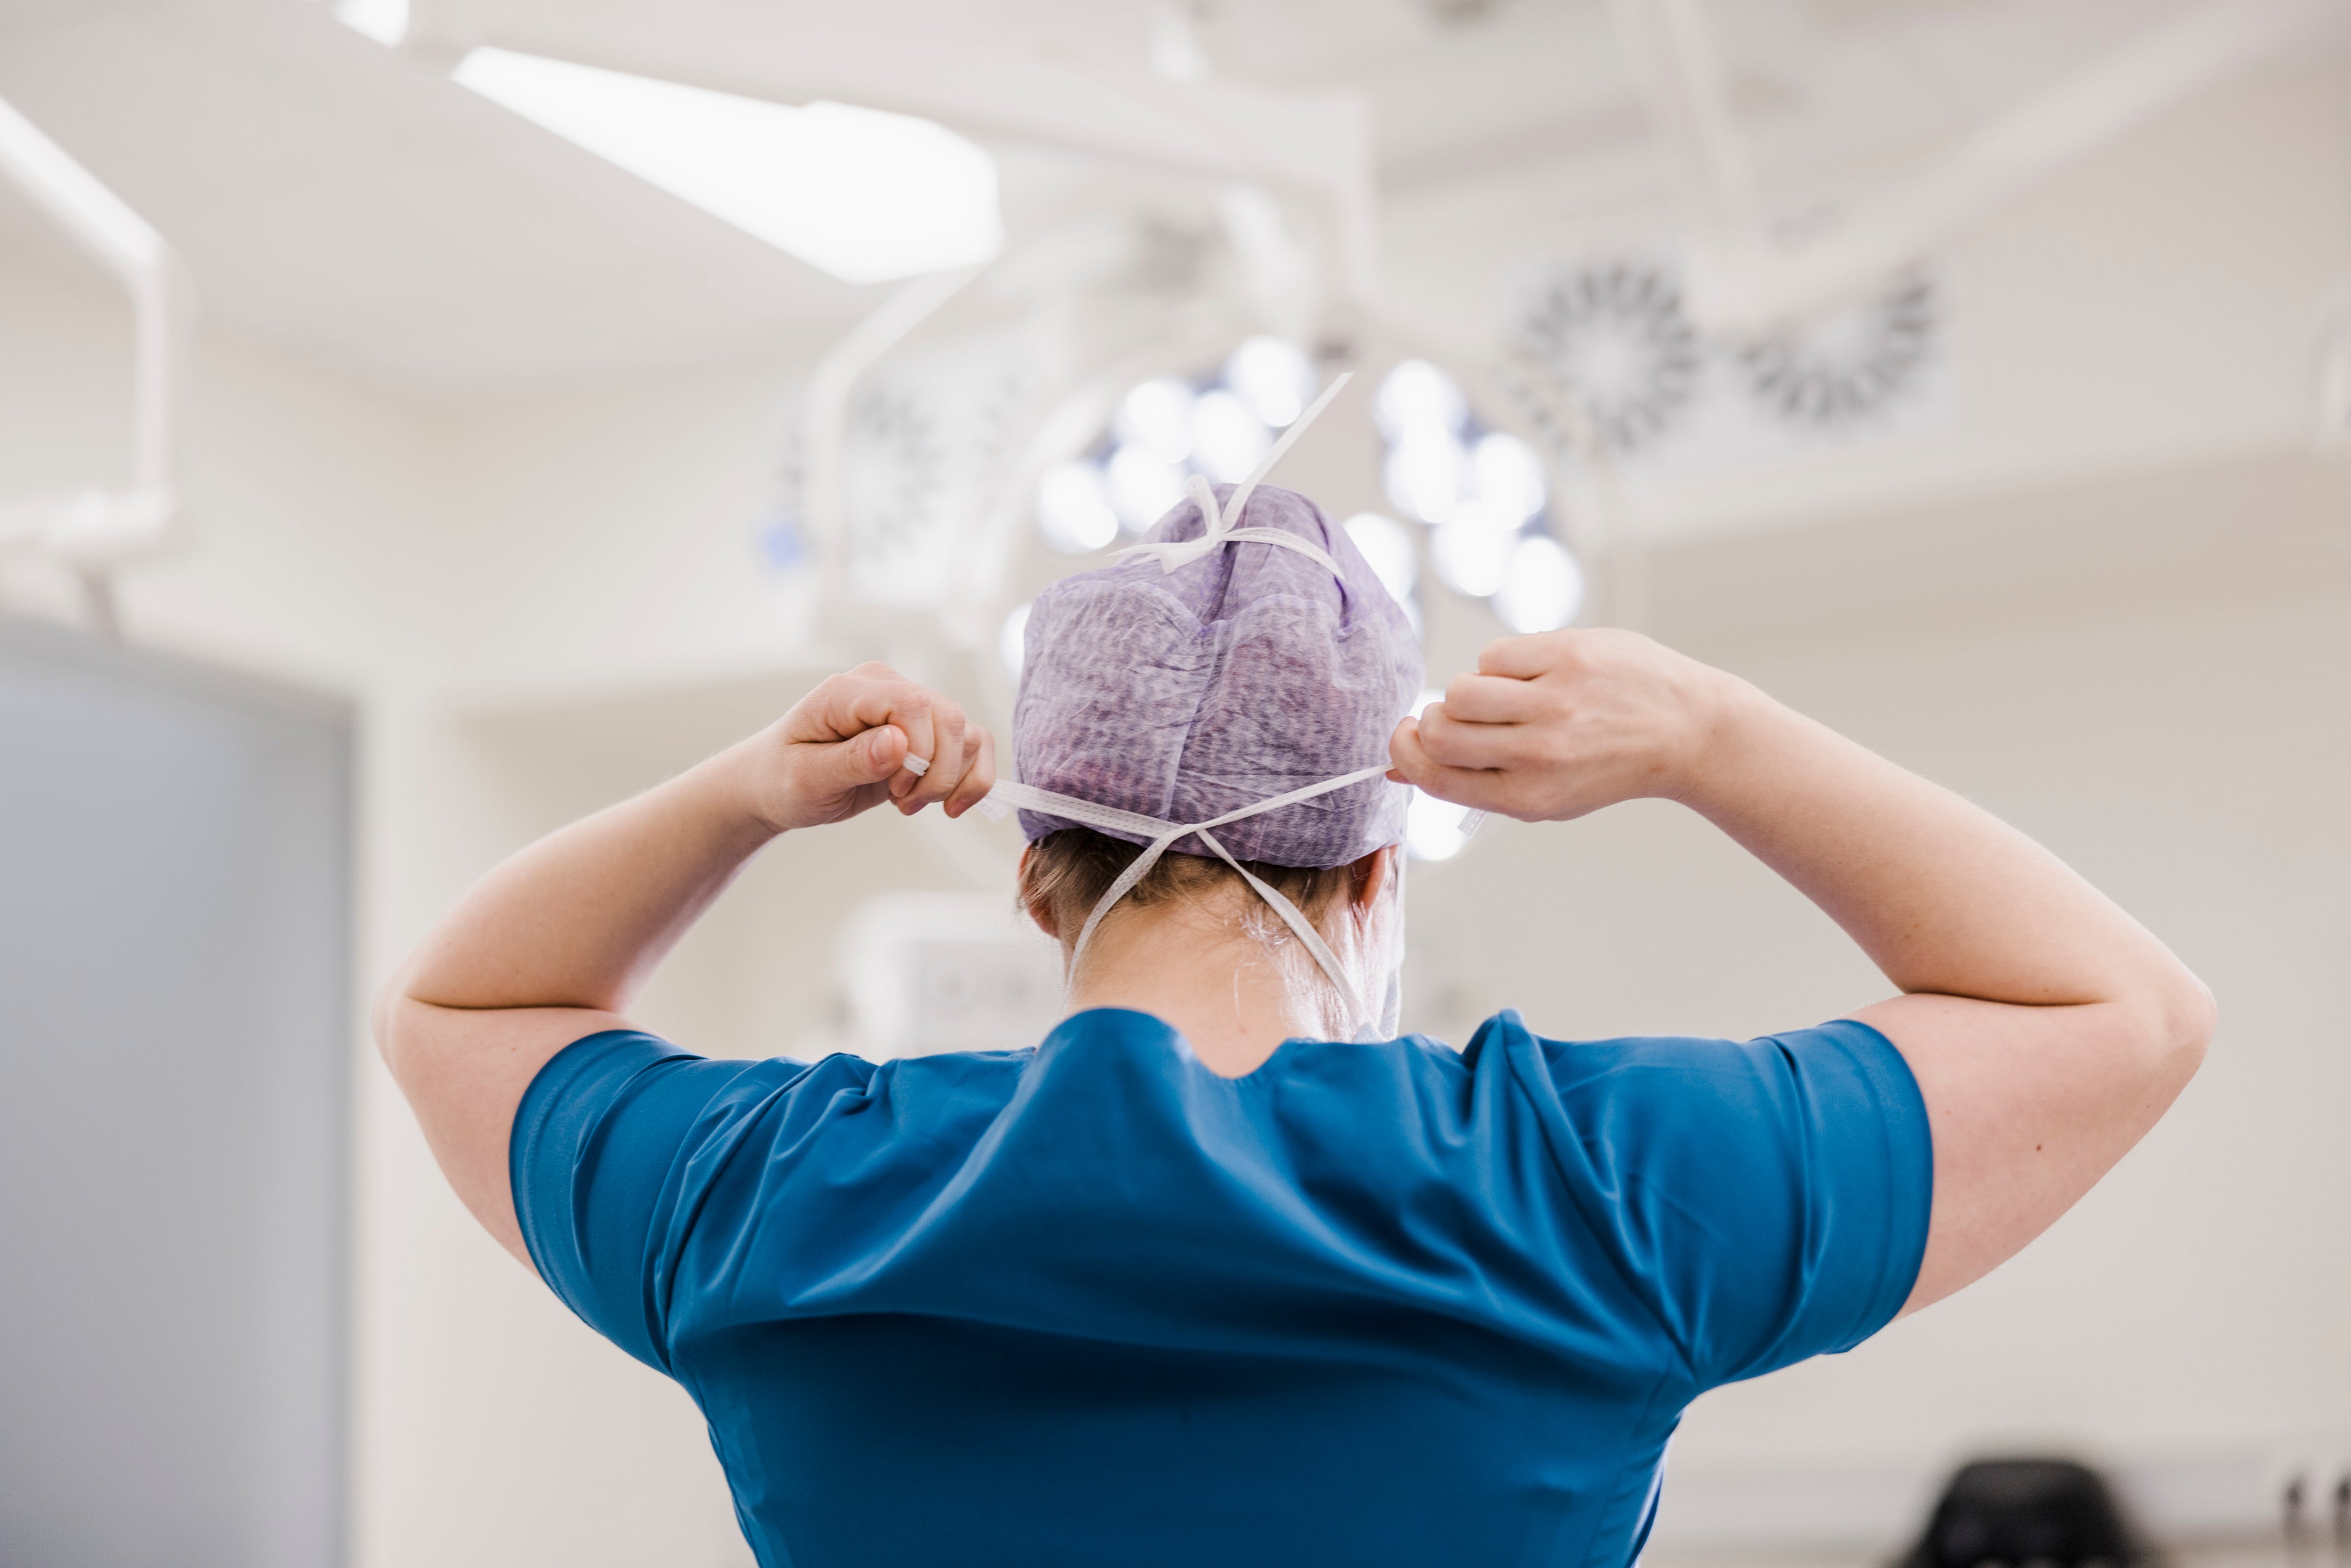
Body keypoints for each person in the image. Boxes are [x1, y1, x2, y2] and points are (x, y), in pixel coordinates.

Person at [378, 465, 2211, 1568]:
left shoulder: (775, 1200)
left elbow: (458, 1005)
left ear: (1035, 879)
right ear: (1374, 879)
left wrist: (743, 790)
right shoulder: (1589, 1190)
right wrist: (1711, 734)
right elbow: (2120, 1006)